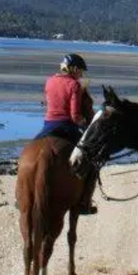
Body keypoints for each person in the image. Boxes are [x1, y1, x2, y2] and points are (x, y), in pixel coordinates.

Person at [36, 52, 98, 215]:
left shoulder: (49, 81)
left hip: (47, 126)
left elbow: (50, 102)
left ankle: (20, 198)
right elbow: (75, 116)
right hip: (66, 127)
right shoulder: (74, 85)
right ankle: (85, 202)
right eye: (80, 71)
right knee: (91, 162)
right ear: (74, 69)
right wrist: (85, 123)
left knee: (27, 153)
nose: (81, 75)